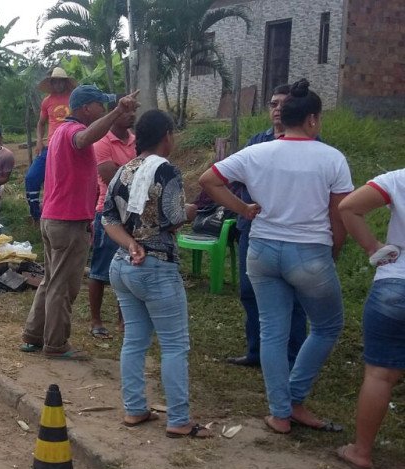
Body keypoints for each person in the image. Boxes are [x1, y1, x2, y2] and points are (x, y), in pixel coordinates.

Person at [199, 79, 352, 435]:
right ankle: (294, 398)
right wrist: (334, 251)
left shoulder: (258, 152)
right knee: (327, 326)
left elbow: (208, 179)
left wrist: (244, 209)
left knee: (272, 331)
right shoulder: (332, 158)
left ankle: (280, 413)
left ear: (285, 116)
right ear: (312, 119)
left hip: (262, 251)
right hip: (309, 252)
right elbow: (339, 215)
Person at [101, 110, 209, 438]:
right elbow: (173, 219)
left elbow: (108, 218)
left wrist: (131, 244)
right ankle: (179, 419)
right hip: (157, 266)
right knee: (174, 344)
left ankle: (135, 409)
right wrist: (191, 211)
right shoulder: (166, 170)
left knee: (135, 341)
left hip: (123, 265)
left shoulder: (124, 170)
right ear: (167, 136)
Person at [20, 85, 139, 360]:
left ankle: (33, 336)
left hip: (54, 218)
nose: (104, 109)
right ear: (86, 108)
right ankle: (56, 344)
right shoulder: (73, 131)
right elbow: (85, 138)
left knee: (51, 281)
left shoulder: (59, 131)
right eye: (101, 105)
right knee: (63, 285)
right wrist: (118, 112)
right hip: (68, 222)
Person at [223, 84, 308, 368]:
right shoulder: (257, 142)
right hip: (254, 226)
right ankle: (256, 351)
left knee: (293, 296)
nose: (278, 109)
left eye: (284, 104)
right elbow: (234, 177)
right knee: (249, 290)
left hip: (292, 230)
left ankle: (292, 356)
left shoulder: (310, 144)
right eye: (273, 104)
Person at [335, 168, 405, 469]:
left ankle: (361, 451)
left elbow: (348, 207)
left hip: (396, 283)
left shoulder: (400, 179)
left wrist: (373, 247)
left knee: (380, 375)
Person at [88, 103, 135, 339]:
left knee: (127, 267)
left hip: (132, 213)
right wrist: (135, 172)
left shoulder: (135, 140)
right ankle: (96, 320)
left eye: (134, 111)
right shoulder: (102, 142)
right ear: (114, 114)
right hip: (108, 212)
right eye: (126, 111)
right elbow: (111, 177)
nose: (132, 115)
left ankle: (123, 319)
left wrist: (125, 170)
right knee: (100, 270)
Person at [25, 67, 75, 226]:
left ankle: (62, 216)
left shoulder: (73, 98)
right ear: (51, 83)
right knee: (31, 177)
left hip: (69, 147)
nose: (58, 84)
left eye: (61, 81)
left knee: (62, 183)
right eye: (55, 82)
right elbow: (41, 124)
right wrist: (39, 141)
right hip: (50, 147)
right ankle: (36, 215)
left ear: (65, 82)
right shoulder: (47, 101)